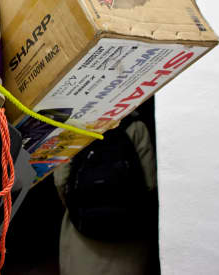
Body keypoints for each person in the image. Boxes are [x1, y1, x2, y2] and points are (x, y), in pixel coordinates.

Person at [53, 110, 159, 275]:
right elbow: (151, 183)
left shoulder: (72, 126)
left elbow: (60, 180)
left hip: (82, 237)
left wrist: (76, 206)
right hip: (129, 237)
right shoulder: (136, 126)